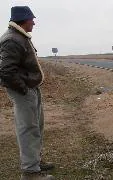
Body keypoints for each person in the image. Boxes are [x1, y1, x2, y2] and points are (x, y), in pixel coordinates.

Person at [0, 6, 55, 180]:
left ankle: (35, 161)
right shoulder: (12, 40)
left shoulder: (19, 37)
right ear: (24, 19)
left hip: (30, 88)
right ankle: (30, 172)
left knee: (36, 126)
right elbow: (6, 71)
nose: (34, 22)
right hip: (23, 90)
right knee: (28, 128)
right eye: (32, 19)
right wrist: (23, 88)